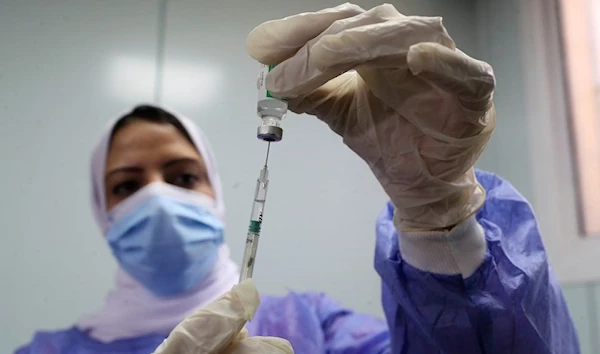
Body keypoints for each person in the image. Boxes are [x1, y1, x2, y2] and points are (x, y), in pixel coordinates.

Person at [16, 3, 580, 354]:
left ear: (216, 195)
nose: (158, 196)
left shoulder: (314, 329)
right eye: (126, 185)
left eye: (184, 175)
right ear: (101, 210)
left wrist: (441, 218)